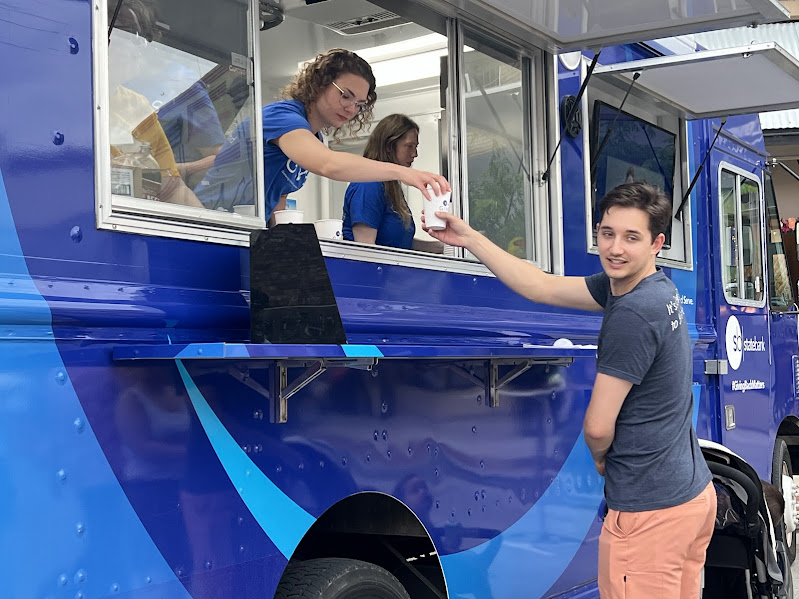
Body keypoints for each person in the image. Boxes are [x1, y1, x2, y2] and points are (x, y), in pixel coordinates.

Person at [424, 181, 714, 599]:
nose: (615, 248)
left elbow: (597, 427)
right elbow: (541, 286)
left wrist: (601, 460)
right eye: (607, 233)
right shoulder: (653, 287)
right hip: (689, 498)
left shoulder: (633, 311)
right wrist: (468, 237)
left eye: (631, 237)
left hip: (650, 514)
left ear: (657, 243)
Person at [195, 49, 449, 222]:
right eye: (345, 95)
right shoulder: (282, 117)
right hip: (208, 220)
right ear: (319, 84)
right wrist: (403, 172)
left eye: (359, 103)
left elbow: (278, 196)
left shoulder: (314, 137)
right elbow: (328, 164)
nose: (351, 108)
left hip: (244, 227)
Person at [108, 0, 204, 207]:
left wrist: (211, 228)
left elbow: (173, 188)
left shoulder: (139, 106)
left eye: (144, 36)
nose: (141, 45)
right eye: (131, 33)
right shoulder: (65, 100)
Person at [342, 114, 443, 252]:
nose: (415, 154)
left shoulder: (390, 186)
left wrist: (450, 246)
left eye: (416, 146)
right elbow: (365, 249)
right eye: (409, 146)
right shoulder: (368, 184)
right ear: (389, 146)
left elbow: (399, 244)